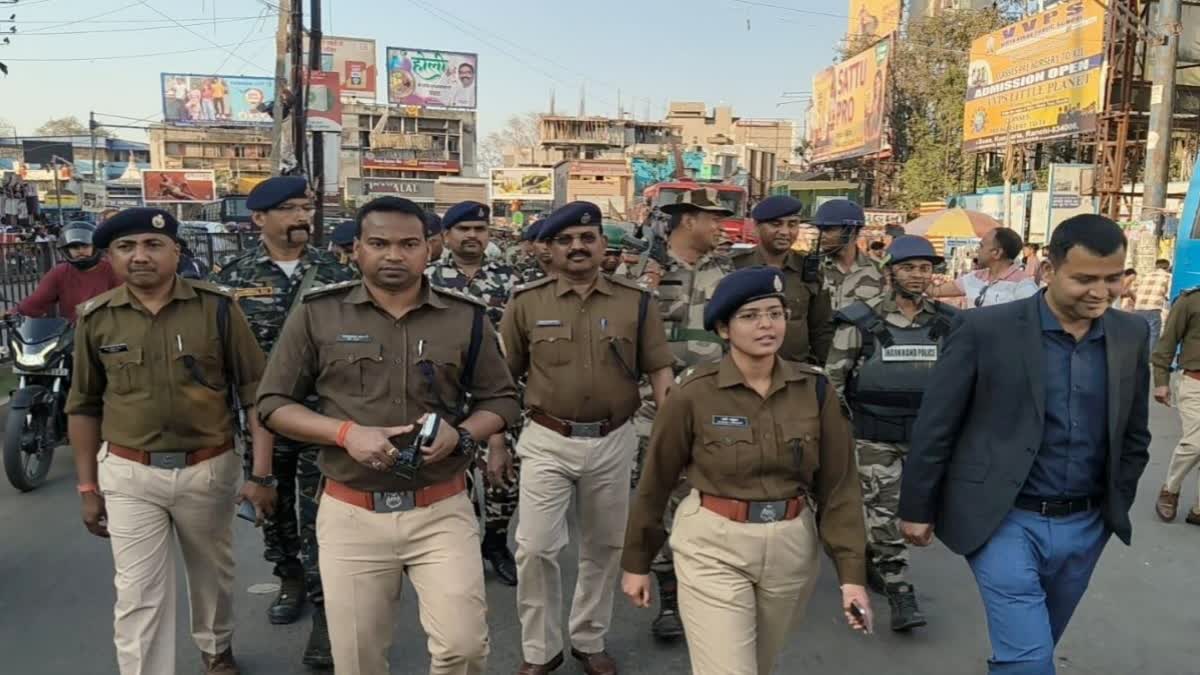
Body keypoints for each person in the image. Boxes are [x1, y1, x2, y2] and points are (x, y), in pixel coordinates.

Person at [256, 196, 520, 675]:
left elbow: (502, 401)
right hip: (351, 511)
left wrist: (461, 436)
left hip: (441, 508)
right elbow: (272, 404)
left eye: (408, 244)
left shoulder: (465, 317)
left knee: (464, 646)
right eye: (378, 243)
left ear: (429, 249)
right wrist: (344, 433)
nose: (393, 255)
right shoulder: (318, 314)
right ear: (356, 248)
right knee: (357, 659)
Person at [899, 214, 1152, 674]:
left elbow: (1134, 433)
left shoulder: (1130, 335)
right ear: (1049, 270)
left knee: (1035, 646)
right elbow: (938, 423)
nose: (1101, 292)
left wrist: (1116, 501)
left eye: (1112, 278)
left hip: (1086, 525)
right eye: (1085, 279)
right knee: (1031, 660)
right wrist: (917, 506)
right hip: (1004, 519)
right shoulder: (985, 331)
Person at [621, 266, 871, 675]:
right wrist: (637, 562)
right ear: (723, 328)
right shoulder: (692, 393)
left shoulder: (815, 389)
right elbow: (656, 482)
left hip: (791, 545)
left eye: (775, 313)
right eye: (750, 316)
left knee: (758, 664)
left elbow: (839, 487)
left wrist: (851, 576)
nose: (766, 325)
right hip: (713, 544)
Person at [66, 208, 275, 675]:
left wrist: (262, 474)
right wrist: (86, 488)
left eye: (153, 245)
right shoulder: (96, 319)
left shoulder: (218, 308)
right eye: (126, 247)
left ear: (175, 252)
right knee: (137, 591)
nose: (140, 256)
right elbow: (83, 405)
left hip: (207, 468)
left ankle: (215, 649)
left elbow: (255, 395)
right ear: (111, 257)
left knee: (212, 576)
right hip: (129, 471)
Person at [500, 201, 675, 675]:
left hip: (613, 438)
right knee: (535, 546)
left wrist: (673, 433)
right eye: (565, 240)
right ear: (549, 249)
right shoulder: (525, 302)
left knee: (604, 545)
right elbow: (501, 381)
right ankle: (540, 649)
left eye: (587, 238)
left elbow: (659, 370)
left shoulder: (635, 301)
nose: (577, 247)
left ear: (602, 245)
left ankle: (588, 638)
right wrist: (496, 440)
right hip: (546, 438)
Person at [211, 175, 354, 667]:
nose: (301, 217)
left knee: (324, 521)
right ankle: (288, 578)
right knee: (272, 509)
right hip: (264, 421)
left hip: (327, 419)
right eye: (289, 209)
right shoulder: (230, 278)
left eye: (305, 208)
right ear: (259, 219)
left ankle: (326, 618)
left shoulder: (337, 272)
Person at [825, 235, 961, 632]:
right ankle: (900, 589)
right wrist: (839, 436)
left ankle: (874, 560)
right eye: (909, 267)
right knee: (884, 513)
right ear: (890, 272)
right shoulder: (860, 321)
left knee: (920, 514)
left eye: (926, 268)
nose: (919, 276)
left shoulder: (949, 323)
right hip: (874, 438)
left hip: (928, 439)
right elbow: (832, 383)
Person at [630, 187, 735, 641]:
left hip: (714, 406)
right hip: (652, 408)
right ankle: (668, 595)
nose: (721, 227)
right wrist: (645, 285)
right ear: (687, 220)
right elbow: (622, 336)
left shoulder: (728, 275)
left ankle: (706, 592)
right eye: (713, 218)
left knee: (710, 499)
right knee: (657, 498)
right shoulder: (641, 270)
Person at [427, 200, 524, 586]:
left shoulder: (512, 280)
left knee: (504, 476)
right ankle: (462, 547)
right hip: (442, 397)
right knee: (451, 475)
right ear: (447, 236)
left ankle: (496, 543)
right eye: (463, 229)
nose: (472, 236)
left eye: (479, 230)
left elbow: (517, 345)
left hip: (497, 393)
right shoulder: (427, 277)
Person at [734, 194, 834, 364]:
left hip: (796, 375)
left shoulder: (810, 270)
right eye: (776, 224)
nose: (785, 232)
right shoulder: (735, 267)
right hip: (745, 373)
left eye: (793, 224)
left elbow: (821, 329)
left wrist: (820, 372)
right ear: (757, 227)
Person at [1152, 286, 1200, 524]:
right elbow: (1167, 342)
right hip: (1194, 382)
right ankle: (1170, 489)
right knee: (1195, 443)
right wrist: (1161, 381)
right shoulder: (1191, 300)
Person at [13, 222, 120, 321]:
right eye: (74, 247)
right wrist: (13, 313)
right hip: (72, 334)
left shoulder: (113, 269)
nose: (80, 251)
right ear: (66, 250)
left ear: (94, 247)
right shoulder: (60, 272)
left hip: (109, 333)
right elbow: (37, 301)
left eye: (85, 246)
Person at [931, 227, 1037, 308]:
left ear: (996, 253)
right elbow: (935, 291)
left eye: (981, 246)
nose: (978, 250)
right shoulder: (974, 277)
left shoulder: (1024, 287)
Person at [815, 199, 884, 310]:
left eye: (829, 230)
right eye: (820, 230)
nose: (822, 235)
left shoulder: (881, 271)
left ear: (851, 231)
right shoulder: (811, 268)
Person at [1129, 258, 1172, 352]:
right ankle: (1148, 360)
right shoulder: (1168, 277)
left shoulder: (1146, 276)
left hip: (1138, 308)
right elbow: (1169, 296)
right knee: (1153, 334)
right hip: (1153, 308)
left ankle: (1133, 357)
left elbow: (1134, 291)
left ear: (1156, 266)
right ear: (1168, 267)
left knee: (1138, 333)